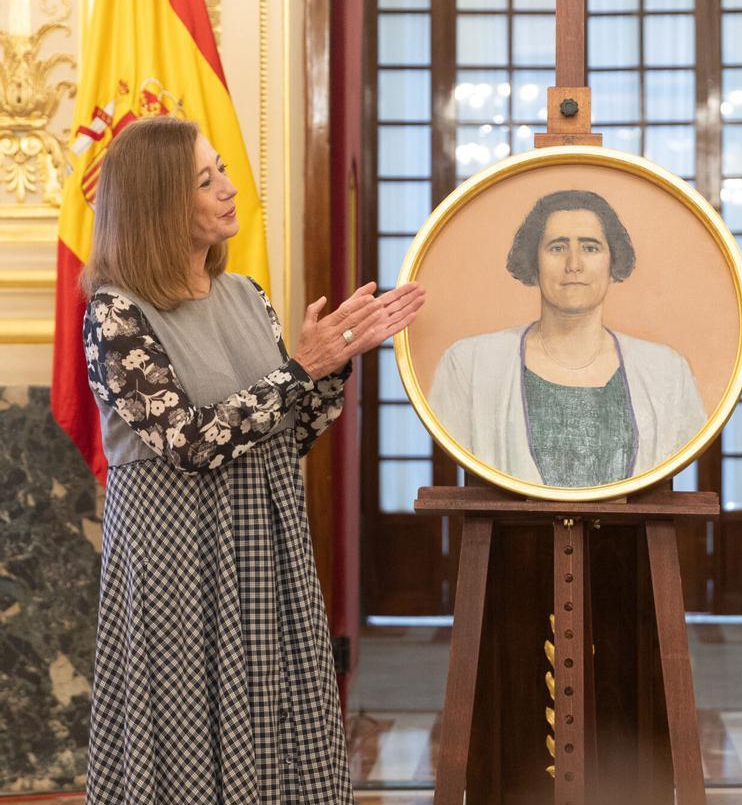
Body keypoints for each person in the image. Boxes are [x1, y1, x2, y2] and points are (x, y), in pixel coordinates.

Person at [80, 115, 425, 802]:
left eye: (224, 171)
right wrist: (299, 369)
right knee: (180, 733)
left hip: (263, 549)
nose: (229, 190)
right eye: (206, 180)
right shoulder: (116, 314)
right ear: (158, 204)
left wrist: (329, 366)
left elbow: (280, 435)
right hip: (174, 559)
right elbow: (189, 441)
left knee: (282, 724)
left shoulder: (246, 296)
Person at [429, 189, 705, 488]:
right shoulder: (470, 365)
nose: (574, 264)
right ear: (534, 261)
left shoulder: (666, 371)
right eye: (557, 248)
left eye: (590, 247)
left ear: (613, 262)